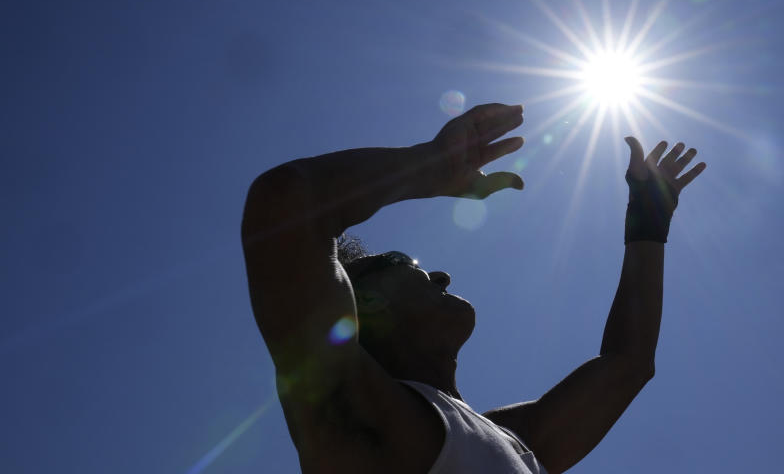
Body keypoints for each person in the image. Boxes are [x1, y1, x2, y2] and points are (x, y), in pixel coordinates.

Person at [241, 103, 705, 473]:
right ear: (367, 299)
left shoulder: (515, 439)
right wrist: (427, 167)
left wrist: (649, 221)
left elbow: (627, 364)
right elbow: (286, 204)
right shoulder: (352, 413)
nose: (439, 275)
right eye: (403, 262)